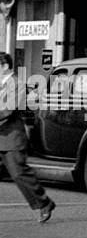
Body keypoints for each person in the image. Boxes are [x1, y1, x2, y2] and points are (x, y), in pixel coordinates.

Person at [0, 51, 56, 224]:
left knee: (18, 173)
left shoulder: (18, 84)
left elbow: (9, 110)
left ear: (5, 66)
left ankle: (44, 202)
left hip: (11, 138)